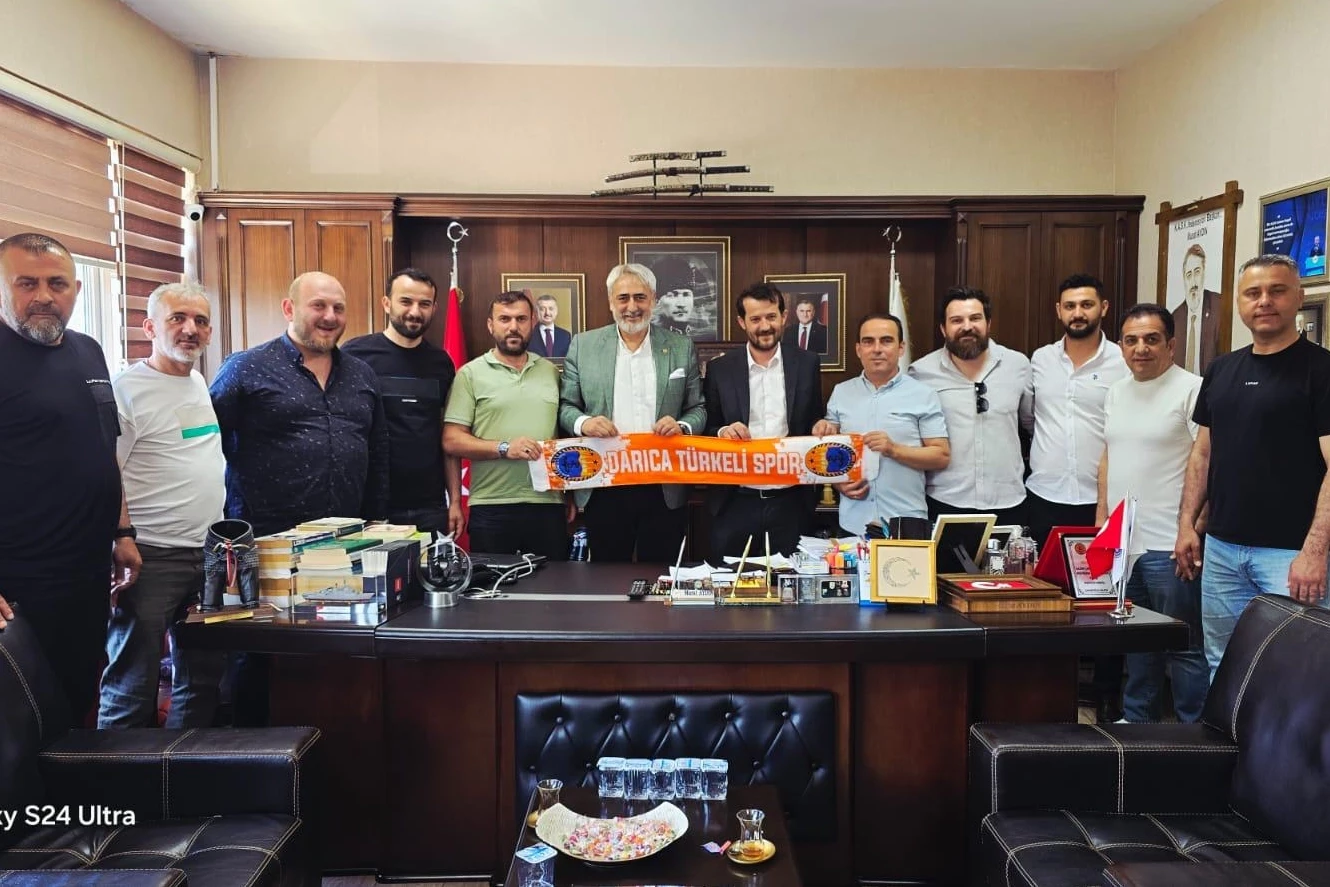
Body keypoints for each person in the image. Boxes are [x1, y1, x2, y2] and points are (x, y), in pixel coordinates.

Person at [0, 232, 139, 726]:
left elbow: (105, 448)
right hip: (18, 581)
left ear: (76, 289)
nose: (43, 296)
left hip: (86, 573)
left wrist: (122, 532)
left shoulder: (88, 351)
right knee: (20, 725)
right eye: (26, 283)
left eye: (56, 283)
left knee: (76, 702)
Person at [1176, 254, 1330, 677]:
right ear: (1239, 303)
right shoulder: (1221, 369)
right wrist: (1187, 525)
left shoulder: (1322, 371)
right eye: (1253, 293)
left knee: (1298, 674)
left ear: (1298, 297)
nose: (1264, 301)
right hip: (1222, 551)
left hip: (1290, 555)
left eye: (1277, 291)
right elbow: (1203, 454)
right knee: (1222, 664)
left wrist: (1314, 553)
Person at [99, 282, 227, 729]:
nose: (190, 329)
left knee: (201, 684)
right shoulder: (126, 391)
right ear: (150, 327)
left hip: (207, 555)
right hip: (150, 558)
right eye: (178, 318)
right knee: (132, 685)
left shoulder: (197, 381)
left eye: (200, 321)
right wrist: (122, 539)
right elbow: (107, 473)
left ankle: (179, 771)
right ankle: (116, 774)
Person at [210, 271, 389, 537]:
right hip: (265, 541)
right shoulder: (245, 368)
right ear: (289, 309)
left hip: (348, 538)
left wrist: (377, 519)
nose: (330, 317)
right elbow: (206, 446)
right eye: (318, 305)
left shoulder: (363, 374)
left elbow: (378, 453)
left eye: (338, 308)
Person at [1097, 303, 1209, 723]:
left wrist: (1195, 528)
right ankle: (1136, 722)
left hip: (1171, 544)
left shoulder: (1193, 390)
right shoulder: (1116, 391)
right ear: (1121, 346)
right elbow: (1109, 456)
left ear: (1171, 345)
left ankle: (1195, 733)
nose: (1140, 348)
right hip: (1125, 543)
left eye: (1151, 339)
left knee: (1184, 645)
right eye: (1131, 340)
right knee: (1138, 641)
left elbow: (1209, 461)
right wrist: (1102, 518)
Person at [559, 263, 706, 563]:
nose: (632, 307)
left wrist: (681, 425)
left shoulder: (681, 347)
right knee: (607, 577)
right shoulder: (583, 346)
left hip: (664, 484)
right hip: (605, 482)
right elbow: (565, 406)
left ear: (654, 300)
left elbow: (698, 408)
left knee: (661, 576)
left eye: (640, 297)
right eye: (623, 298)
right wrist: (585, 423)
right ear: (610, 302)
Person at [444, 291, 569, 558]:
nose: (513, 326)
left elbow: (562, 434)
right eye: (504, 319)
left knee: (554, 582)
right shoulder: (470, 374)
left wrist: (569, 493)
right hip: (491, 506)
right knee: (492, 583)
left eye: (521, 319)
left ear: (532, 323)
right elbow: (451, 440)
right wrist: (504, 448)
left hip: (548, 503)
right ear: (491, 325)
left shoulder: (550, 372)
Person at [703, 283, 824, 558]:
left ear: (784, 317)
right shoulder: (720, 369)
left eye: (771, 317)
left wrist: (820, 425)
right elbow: (708, 426)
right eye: (755, 319)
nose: (765, 326)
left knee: (791, 580)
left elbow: (814, 418)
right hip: (735, 500)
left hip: (791, 501)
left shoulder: (807, 363)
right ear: (742, 322)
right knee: (730, 578)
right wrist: (723, 431)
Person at [342, 268, 463, 535]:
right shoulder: (355, 355)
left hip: (430, 505)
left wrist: (455, 500)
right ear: (387, 303)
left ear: (434, 308)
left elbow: (447, 435)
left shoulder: (441, 363)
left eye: (424, 304)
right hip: (371, 506)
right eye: (406, 301)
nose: (415, 312)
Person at [814, 313, 949, 536]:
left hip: (906, 523)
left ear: (901, 348)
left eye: (886, 341)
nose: (877, 349)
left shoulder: (923, 394)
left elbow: (941, 456)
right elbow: (829, 454)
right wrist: (838, 483)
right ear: (858, 349)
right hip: (853, 523)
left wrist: (894, 449)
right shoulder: (841, 392)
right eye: (868, 342)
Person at [908, 286, 1033, 526]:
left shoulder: (1018, 365)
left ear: (988, 323)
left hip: (1008, 501)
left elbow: (1031, 424)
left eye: (975, 318)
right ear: (943, 328)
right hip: (945, 501)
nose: (967, 326)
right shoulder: (921, 373)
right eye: (957, 320)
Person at [1025, 274, 1128, 545]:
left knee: (1098, 573)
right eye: (1070, 306)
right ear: (1059, 310)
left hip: (1101, 499)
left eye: (1086, 305)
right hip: (1044, 495)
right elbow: (1029, 417)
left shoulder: (1122, 362)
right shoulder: (1041, 359)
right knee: (1042, 572)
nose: (1078, 313)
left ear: (1103, 307)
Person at [1172, 244, 1221, 375]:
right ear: (1184, 279)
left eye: (1197, 272)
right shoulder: (1175, 318)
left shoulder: (1219, 307)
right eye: (1189, 275)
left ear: (1204, 273)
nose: (1193, 283)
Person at [527, 294, 571, 359]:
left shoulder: (565, 336)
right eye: (542, 309)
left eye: (551, 309)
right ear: (536, 312)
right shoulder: (528, 335)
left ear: (556, 311)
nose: (547, 313)